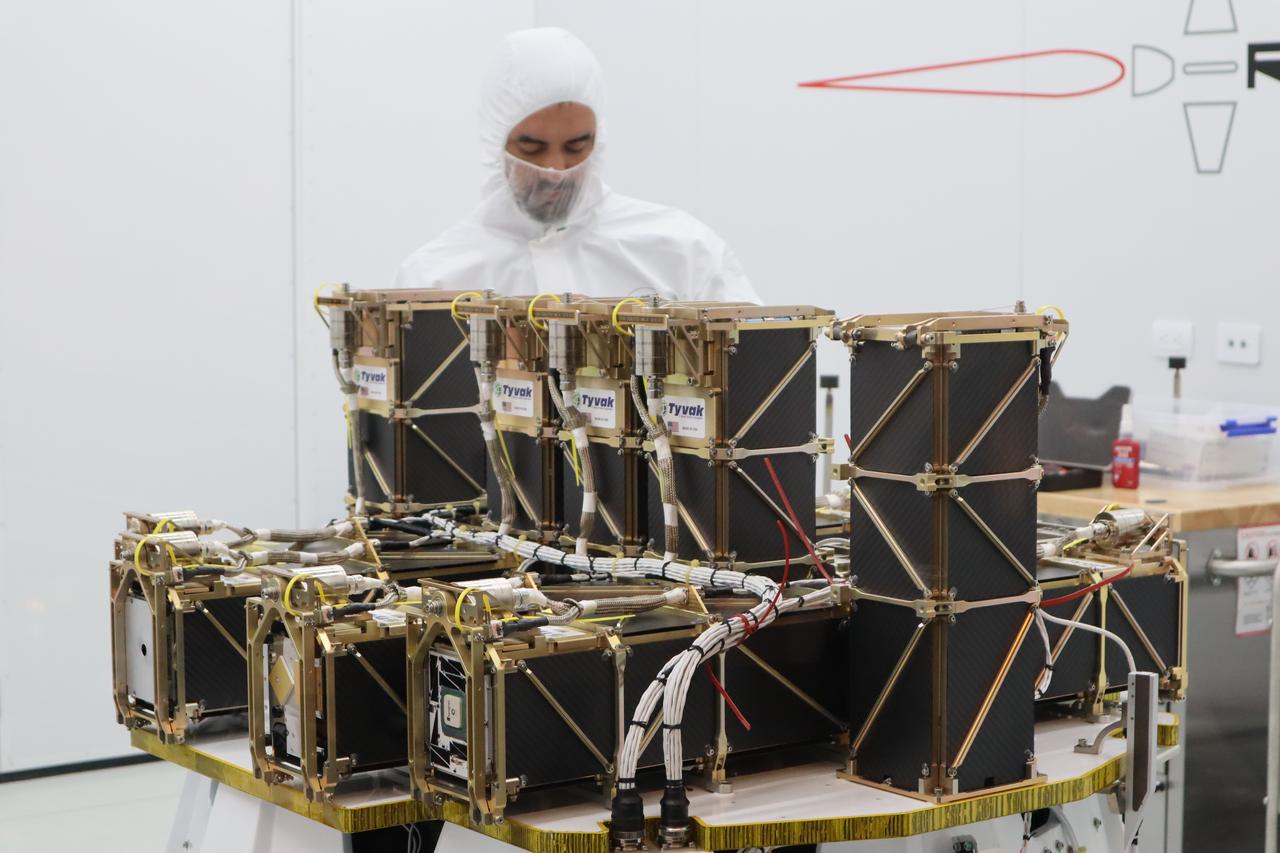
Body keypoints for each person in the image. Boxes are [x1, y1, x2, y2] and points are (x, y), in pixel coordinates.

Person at [394, 27, 759, 302]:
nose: (555, 168)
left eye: (576, 146)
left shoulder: (682, 251)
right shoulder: (436, 280)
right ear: (495, 141)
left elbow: (759, 379)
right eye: (531, 147)